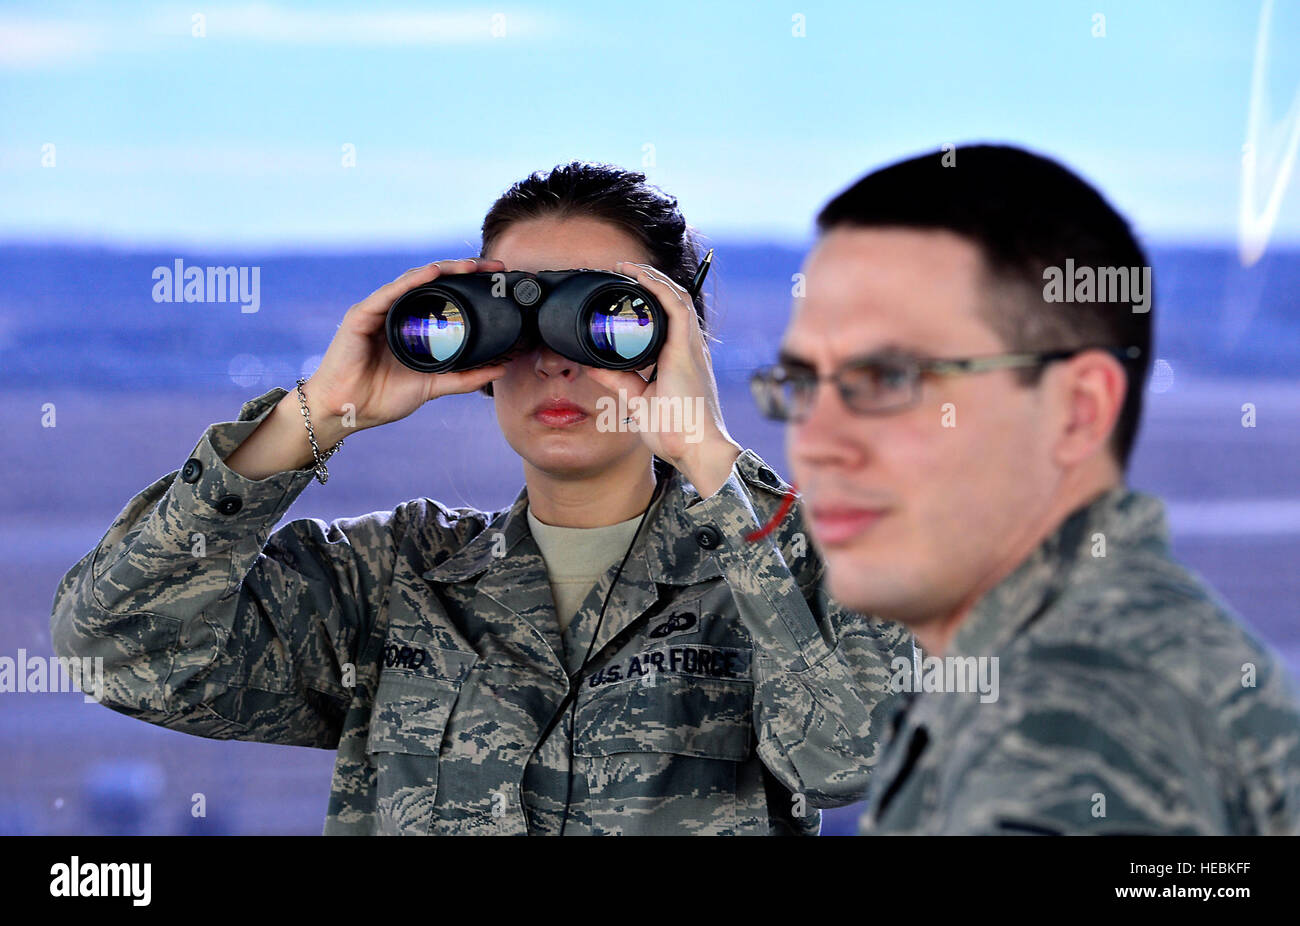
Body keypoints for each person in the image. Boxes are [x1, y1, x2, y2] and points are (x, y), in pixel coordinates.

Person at [51, 161, 914, 835]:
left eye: (606, 317)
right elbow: (113, 648)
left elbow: (851, 754)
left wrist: (706, 450)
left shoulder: (778, 580)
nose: (556, 360)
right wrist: (314, 415)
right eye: (515, 318)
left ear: (679, 341)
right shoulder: (393, 583)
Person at [750, 144, 1300, 834]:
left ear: (1078, 410)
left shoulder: (1068, 719)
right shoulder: (1073, 656)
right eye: (802, 384)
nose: (817, 439)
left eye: (891, 379)